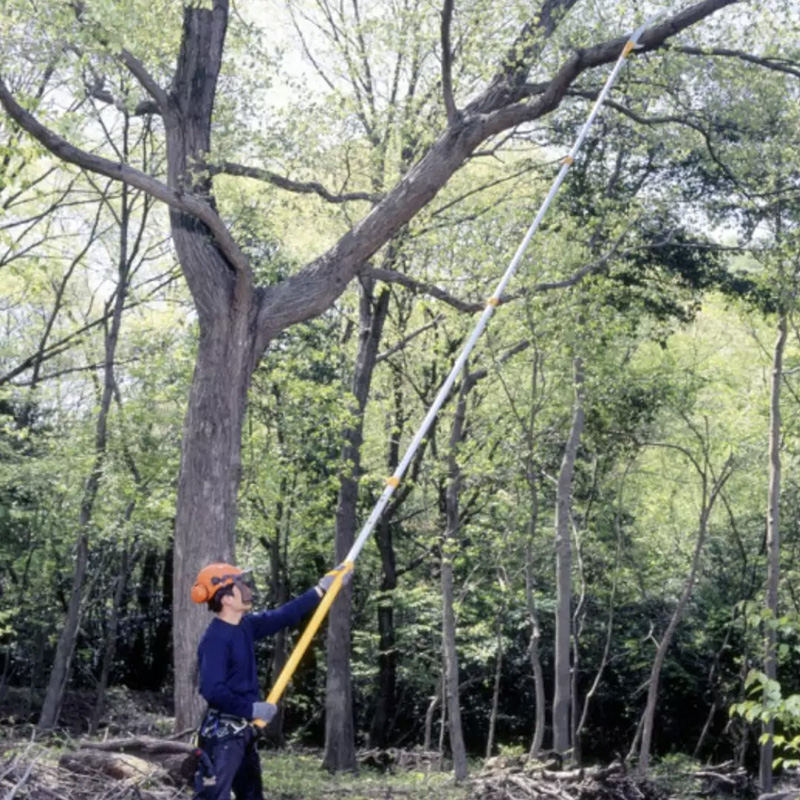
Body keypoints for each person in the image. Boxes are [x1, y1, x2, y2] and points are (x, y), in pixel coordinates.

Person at [190, 561, 352, 799]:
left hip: (243, 734)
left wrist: (322, 588)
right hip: (221, 739)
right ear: (226, 598)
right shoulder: (215, 640)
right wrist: (251, 708)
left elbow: (284, 615)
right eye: (240, 584)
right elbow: (212, 690)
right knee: (212, 797)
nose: (247, 588)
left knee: (252, 795)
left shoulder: (245, 626)